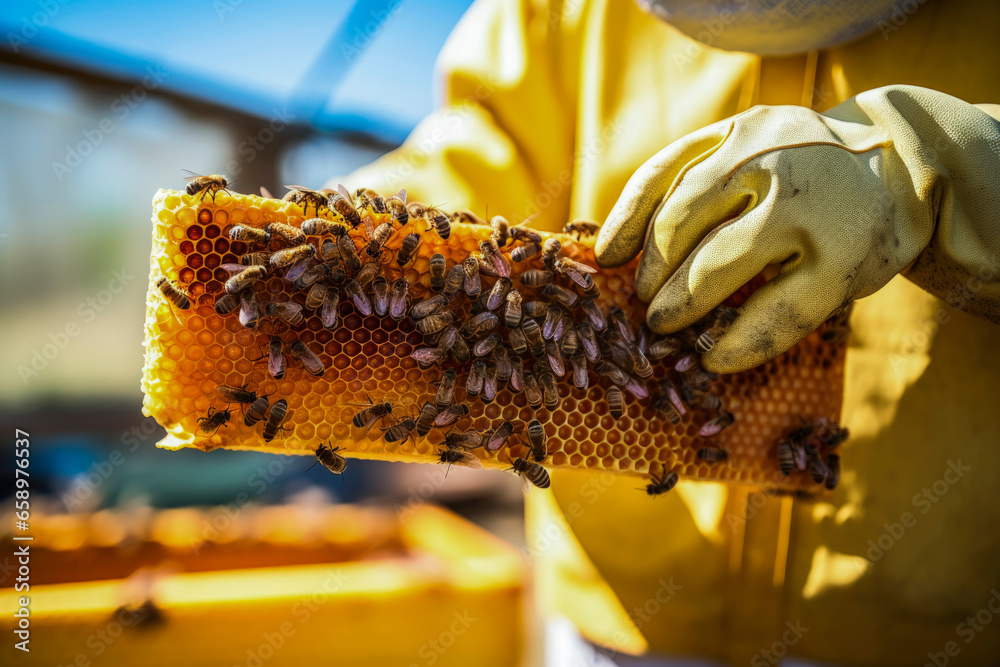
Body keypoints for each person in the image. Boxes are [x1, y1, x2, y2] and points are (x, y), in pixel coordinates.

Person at [335, 0, 1000, 663]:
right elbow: (476, 158)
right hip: (620, 612)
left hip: (919, 626)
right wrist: (358, 238)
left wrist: (942, 166)